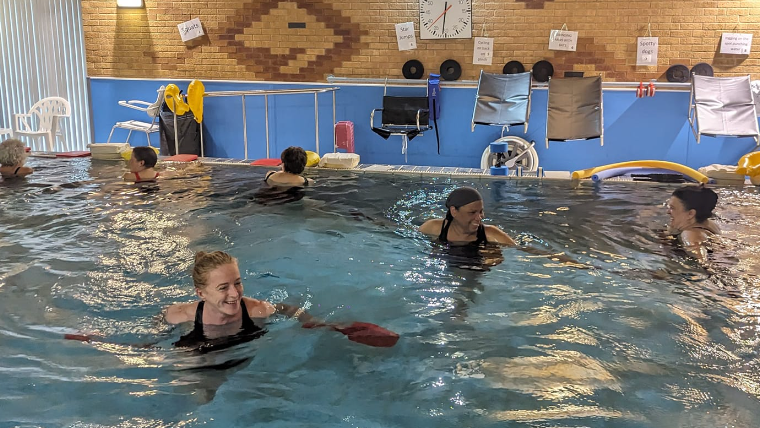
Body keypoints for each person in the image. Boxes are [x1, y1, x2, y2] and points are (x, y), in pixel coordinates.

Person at [165, 250, 318, 351]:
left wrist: (318, 323)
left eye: (237, 283)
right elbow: (155, 336)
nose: (235, 293)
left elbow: (288, 310)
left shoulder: (257, 310)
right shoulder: (180, 315)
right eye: (223, 287)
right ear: (201, 293)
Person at [419, 186, 516, 245]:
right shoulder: (433, 227)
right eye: (472, 212)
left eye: (481, 211)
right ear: (454, 211)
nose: (480, 217)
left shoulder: (491, 234)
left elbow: (519, 250)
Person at [666, 184, 720, 257]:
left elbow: (702, 261)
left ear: (690, 214)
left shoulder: (690, 235)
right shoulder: (710, 224)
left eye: (672, 208)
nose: (668, 212)